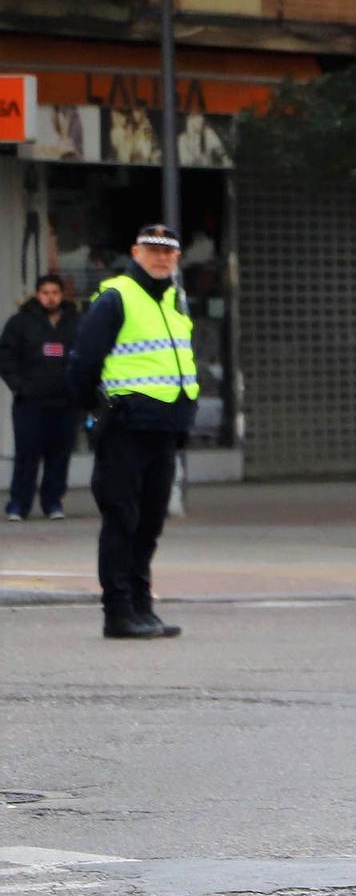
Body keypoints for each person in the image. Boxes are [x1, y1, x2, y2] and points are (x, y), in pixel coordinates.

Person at [67, 226, 200, 639]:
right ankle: (118, 612)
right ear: (135, 252)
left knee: (149, 523)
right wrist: (98, 412)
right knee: (121, 520)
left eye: (168, 252)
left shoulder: (174, 300)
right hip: (125, 427)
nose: (161, 258)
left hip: (164, 429)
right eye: (153, 250)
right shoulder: (116, 297)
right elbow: (83, 363)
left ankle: (142, 606)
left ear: (177, 257)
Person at [3, 273, 81, 520]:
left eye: (55, 293)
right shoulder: (20, 322)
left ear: (62, 295)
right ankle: (18, 505)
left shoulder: (75, 322)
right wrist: (19, 386)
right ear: (38, 294)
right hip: (30, 403)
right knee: (27, 455)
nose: (50, 298)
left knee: (59, 456)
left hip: (65, 402)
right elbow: (6, 358)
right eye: (45, 293)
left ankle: (53, 503)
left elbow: (86, 355)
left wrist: (79, 389)